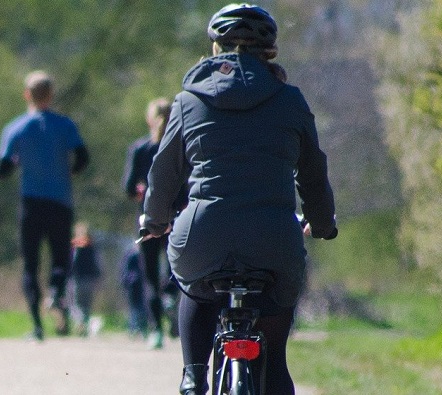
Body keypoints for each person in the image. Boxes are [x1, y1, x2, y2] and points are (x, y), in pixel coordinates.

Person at [139, 4, 338, 395]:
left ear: (215, 49)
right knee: (275, 361)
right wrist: (323, 222)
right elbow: (313, 174)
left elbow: (163, 174)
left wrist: (154, 219)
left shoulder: (187, 102)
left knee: (194, 287)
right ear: (270, 54)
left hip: (203, 236)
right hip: (274, 240)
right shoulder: (290, 101)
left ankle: (194, 376)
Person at [0, 70, 89, 341]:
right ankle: (56, 291)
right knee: (61, 257)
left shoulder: (15, 128)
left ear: (27, 95)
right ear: (51, 95)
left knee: (31, 264)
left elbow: (2, 169)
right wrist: (68, 171)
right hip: (60, 200)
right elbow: (83, 157)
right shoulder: (65, 125)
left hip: (31, 203)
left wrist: (18, 162)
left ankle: (37, 327)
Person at [123, 97, 183, 349]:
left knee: (149, 276)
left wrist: (141, 189)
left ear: (149, 119)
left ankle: (156, 329)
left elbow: (128, 187)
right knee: (176, 268)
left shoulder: (140, 149)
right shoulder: (181, 146)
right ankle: (171, 297)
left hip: (147, 219)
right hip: (178, 217)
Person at [67, 222, 102, 338]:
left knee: (75, 304)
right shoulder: (92, 246)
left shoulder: (74, 246)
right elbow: (96, 263)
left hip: (77, 279)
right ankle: (85, 327)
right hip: (90, 280)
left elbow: (71, 263)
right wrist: (97, 277)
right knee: (87, 305)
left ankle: (81, 323)